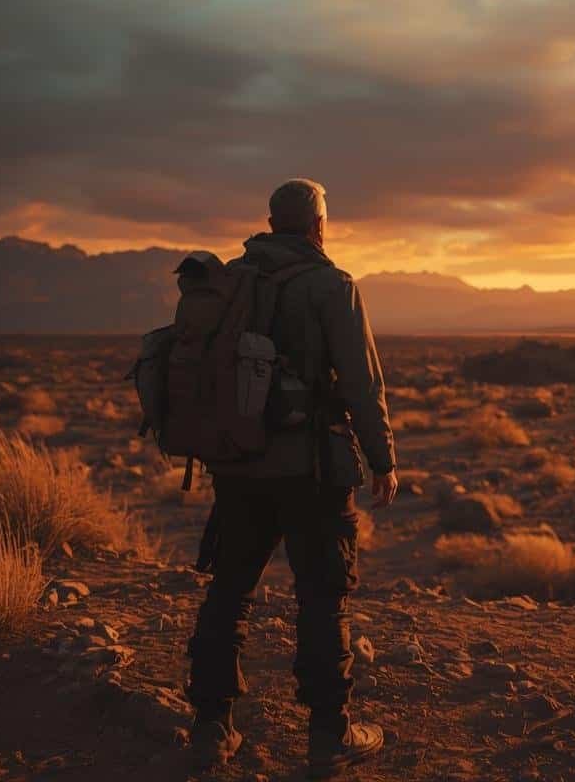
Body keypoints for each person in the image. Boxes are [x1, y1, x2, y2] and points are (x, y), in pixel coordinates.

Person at [185, 178, 399, 777]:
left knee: (230, 590)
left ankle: (211, 727)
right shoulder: (333, 286)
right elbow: (361, 382)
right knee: (323, 597)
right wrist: (383, 459)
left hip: (238, 465)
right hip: (312, 471)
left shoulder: (231, 280)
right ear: (318, 225)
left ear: (271, 222)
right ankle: (331, 734)